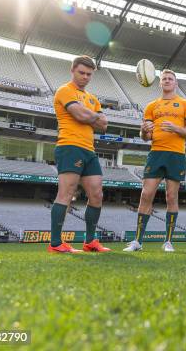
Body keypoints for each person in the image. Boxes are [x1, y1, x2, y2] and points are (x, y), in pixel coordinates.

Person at [123, 69, 186, 253]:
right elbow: (145, 137)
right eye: (164, 78)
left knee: (171, 197)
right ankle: (138, 241)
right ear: (159, 83)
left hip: (176, 155)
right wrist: (143, 130)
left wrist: (176, 128)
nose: (166, 80)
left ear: (176, 83)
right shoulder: (151, 106)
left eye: (170, 78)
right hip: (156, 153)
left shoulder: (184, 104)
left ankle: (168, 242)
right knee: (145, 194)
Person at [48, 55, 110, 253]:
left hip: (89, 150)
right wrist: (92, 116)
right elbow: (81, 115)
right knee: (66, 193)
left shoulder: (92, 99)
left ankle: (90, 241)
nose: (85, 77)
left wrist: (89, 116)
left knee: (97, 194)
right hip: (69, 146)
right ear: (72, 70)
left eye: (89, 74)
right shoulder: (65, 90)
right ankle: (56, 243)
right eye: (81, 72)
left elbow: (104, 125)